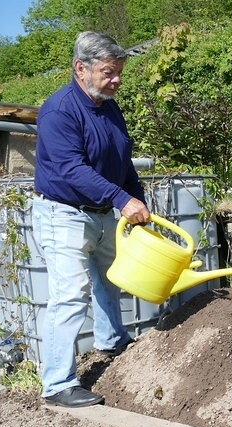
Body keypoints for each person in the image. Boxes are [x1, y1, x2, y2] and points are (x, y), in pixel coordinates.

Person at [33, 31, 151, 407]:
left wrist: (136, 200)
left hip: (101, 214)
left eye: (118, 72)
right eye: (108, 72)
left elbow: (122, 158)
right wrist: (120, 198)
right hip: (64, 214)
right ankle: (56, 385)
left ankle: (112, 343)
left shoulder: (108, 106)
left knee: (109, 282)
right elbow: (71, 169)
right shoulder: (59, 110)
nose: (115, 80)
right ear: (80, 69)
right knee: (69, 296)